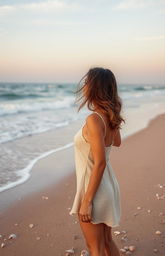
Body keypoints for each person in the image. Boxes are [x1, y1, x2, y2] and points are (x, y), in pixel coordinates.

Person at [69, 67, 125, 256]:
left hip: (94, 188)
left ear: (94, 88)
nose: (84, 86)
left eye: (87, 83)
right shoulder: (108, 118)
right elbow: (116, 142)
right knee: (107, 242)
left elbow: (100, 162)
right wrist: (113, 117)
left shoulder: (94, 119)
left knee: (95, 248)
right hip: (108, 185)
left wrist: (87, 201)